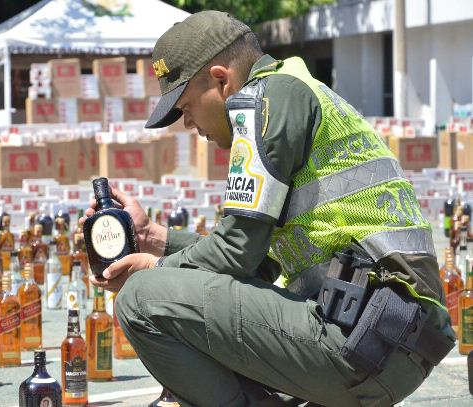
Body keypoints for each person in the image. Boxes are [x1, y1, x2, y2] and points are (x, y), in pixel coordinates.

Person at [81, 10, 455, 407]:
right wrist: (153, 238)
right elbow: (256, 262)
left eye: (186, 106)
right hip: (387, 339)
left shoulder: (266, 98)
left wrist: (153, 269)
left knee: (141, 298)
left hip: (366, 337)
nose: (187, 123)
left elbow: (235, 253)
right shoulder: (292, 92)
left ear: (221, 81)